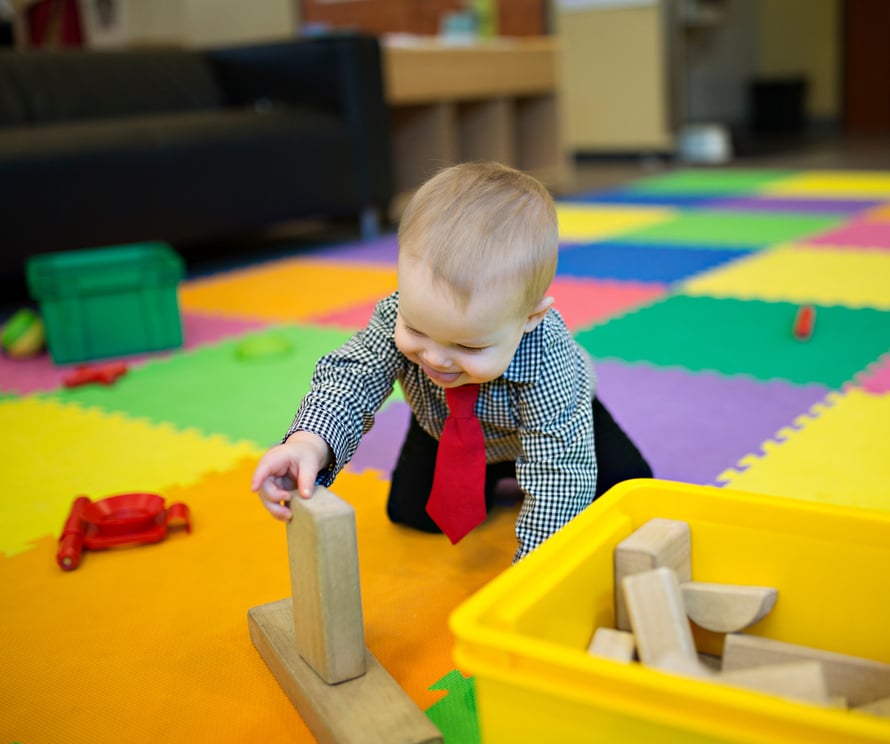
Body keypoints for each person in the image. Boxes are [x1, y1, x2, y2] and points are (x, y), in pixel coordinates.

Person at [250, 161, 651, 562]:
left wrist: (533, 569)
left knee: (627, 490)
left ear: (530, 318)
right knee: (412, 514)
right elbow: (351, 380)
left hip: (559, 427)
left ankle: (515, 470)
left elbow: (561, 472)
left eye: (469, 346)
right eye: (417, 330)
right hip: (446, 424)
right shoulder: (397, 315)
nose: (436, 358)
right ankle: (492, 475)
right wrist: (308, 443)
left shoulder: (549, 358)